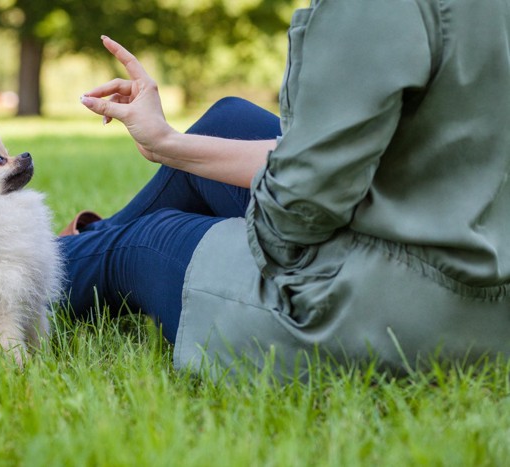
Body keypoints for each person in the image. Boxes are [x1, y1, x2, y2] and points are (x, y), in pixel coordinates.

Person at [59, 0, 510, 381]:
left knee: (143, 243)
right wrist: (167, 144)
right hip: (486, 273)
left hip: (408, 313)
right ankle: (65, 254)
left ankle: (20, 277)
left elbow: (299, 212)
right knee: (230, 122)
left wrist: (234, 232)